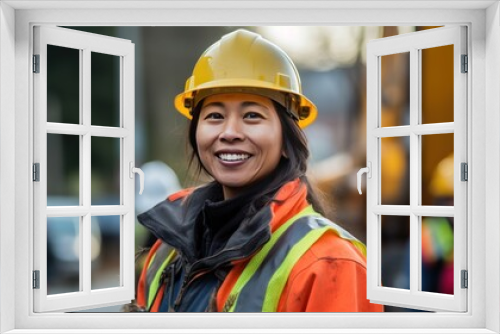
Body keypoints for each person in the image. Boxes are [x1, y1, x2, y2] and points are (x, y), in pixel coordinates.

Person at [134, 29, 383, 312]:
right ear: (196, 134)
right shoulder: (167, 248)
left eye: (252, 115)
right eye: (215, 115)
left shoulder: (329, 262)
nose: (229, 132)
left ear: (287, 142)